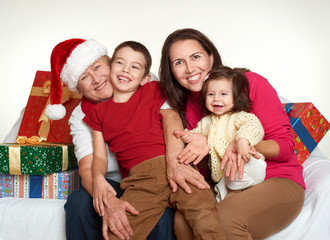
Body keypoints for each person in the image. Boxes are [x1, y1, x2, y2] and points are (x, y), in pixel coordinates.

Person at [159, 28, 306, 240]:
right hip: (227, 185)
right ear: (171, 71)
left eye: (196, 57)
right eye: (179, 63)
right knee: (183, 222)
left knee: (224, 220)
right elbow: (209, 169)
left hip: (276, 178)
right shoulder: (188, 106)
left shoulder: (250, 82)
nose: (190, 68)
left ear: (211, 57)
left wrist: (239, 144)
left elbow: (285, 146)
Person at [83, 40, 224, 240]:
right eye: (120, 63)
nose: (126, 70)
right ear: (110, 66)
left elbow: (173, 117)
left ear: (145, 78)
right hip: (139, 181)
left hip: (177, 166)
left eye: (135, 67)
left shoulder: (153, 90)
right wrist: (97, 177)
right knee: (118, 232)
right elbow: (99, 157)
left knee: (204, 217)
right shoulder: (98, 113)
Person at [45, 38, 176, 240]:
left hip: (154, 177)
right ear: (78, 89)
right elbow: (88, 167)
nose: (97, 79)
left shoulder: (142, 83)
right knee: (78, 202)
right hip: (114, 184)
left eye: (98, 67)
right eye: (85, 77)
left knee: (162, 216)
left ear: (112, 63)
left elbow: (172, 121)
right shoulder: (81, 116)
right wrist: (109, 201)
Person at [175, 66, 267, 202]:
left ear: (236, 97)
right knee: (219, 193)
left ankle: (237, 189)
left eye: (223, 94)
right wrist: (190, 136)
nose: (216, 99)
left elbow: (253, 126)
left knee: (237, 171)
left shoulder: (239, 116)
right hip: (226, 174)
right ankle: (234, 194)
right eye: (211, 94)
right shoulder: (206, 122)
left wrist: (243, 141)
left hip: (251, 164)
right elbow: (199, 133)